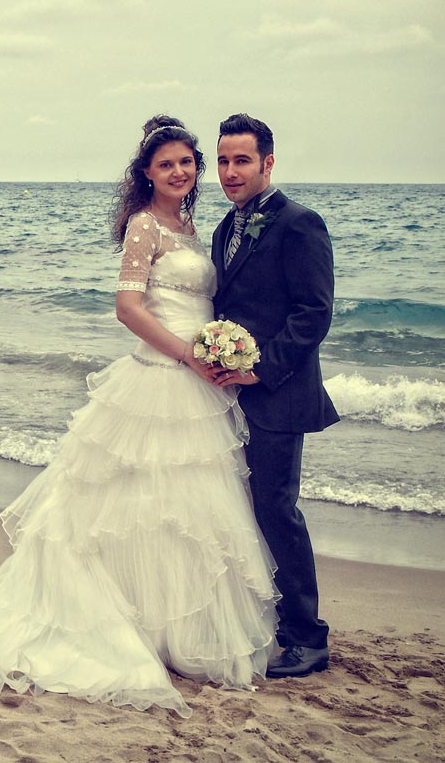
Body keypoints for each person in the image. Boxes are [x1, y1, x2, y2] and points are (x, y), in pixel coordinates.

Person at [0, 116, 278, 717]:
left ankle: (173, 630)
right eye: (166, 164)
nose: (179, 172)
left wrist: (218, 350)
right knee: (134, 506)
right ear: (146, 173)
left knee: (182, 510)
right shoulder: (143, 226)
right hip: (161, 376)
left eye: (187, 162)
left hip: (199, 385)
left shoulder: (191, 227)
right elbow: (128, 308)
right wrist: (189, 353)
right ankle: (124, 628)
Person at [209, 112, 338, 680]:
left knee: (277, 510)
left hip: (278, 395)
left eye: (241, 160)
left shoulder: (299, 223)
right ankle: (269, 619)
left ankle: (308, 637)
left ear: (268, 162)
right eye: (223, 161)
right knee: (243, 508)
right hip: (230, 396)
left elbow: (313, 314)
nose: (230, 172)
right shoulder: (224, 228)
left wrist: (258, 371)